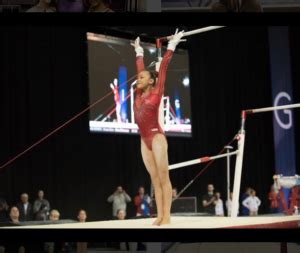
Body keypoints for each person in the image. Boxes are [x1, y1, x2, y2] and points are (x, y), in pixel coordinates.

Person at [131, 29, 185, 225]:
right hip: (143, 140)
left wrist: (172, 46)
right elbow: (140, 69)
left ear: (151, 81)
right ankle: (160, 215)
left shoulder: (157, 91)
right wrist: (138, 51)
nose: (139, 79)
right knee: (154, 179)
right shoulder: (138, 95)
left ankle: (167, 217)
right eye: (139, 78)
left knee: (163, 176)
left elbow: (163, 68)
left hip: (156, 137)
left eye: (143, 78)